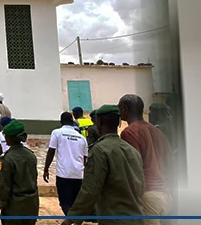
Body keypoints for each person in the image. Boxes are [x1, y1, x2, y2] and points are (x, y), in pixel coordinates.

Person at [60, 105, 145, 225]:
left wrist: (71, 218)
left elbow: (90, 189)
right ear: (119, 123)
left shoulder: (100, 150)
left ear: (99, 122)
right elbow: (141, 186)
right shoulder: (132, 151)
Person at [118, 94, 172, 225]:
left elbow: (133, 167)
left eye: (119, 108)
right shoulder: (157, 132)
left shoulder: (129, 132)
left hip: (147, 196)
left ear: (124, 109)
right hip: (166, 195)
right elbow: (170, 163)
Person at [0, 120, 38, 225]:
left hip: (15, 206)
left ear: (9, 138)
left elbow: (4, 186)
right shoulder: (31, 156)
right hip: (32, 204)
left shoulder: (7, 159)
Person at [44, 112, 88, 215]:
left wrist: (46, 169)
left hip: (64, 174)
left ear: (61, 122)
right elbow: (85, 158)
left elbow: (51, 151)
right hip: (78, 175)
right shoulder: (82, 138)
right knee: (75, 202)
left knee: (65, 202)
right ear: (72, 122)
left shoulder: (57, 133)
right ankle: (74, 219)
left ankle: (71, 220)